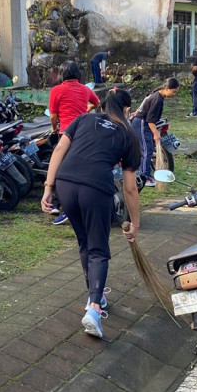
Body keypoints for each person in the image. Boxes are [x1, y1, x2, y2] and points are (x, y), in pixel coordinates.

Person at [40, 88, 141, 339]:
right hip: (95, 189)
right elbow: (129, 187)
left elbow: (59, 150)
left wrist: (48, 188)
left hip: (65, 185)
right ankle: (94, 309)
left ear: (104, 105)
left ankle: (95, 295)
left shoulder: (84, 119)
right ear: (127, 109)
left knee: (85, 242)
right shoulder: (128, 133)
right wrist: (135, 222)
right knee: (98, 249)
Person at [47, 61, 101, 226]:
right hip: (85, 135)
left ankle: (65, 208)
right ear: (78, 74)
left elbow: (52, 116)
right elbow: (97, 103)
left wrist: (54, 128)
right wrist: (87, 111)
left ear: (62, 74)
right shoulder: (85, 89)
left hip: (66, 135)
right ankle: (61, 204)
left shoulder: (56, 90)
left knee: (60, 170)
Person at [131, 77, 180, 187]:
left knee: (147, 149)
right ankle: (144, 177)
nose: (174, 94)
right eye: (174, 91)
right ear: (167, 88)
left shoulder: (158, 96)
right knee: (146, 151)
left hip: (144, 123)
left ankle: (146, 174)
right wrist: (156, 134)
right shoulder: (157, 99)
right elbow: (150, 120)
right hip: (142, 124)